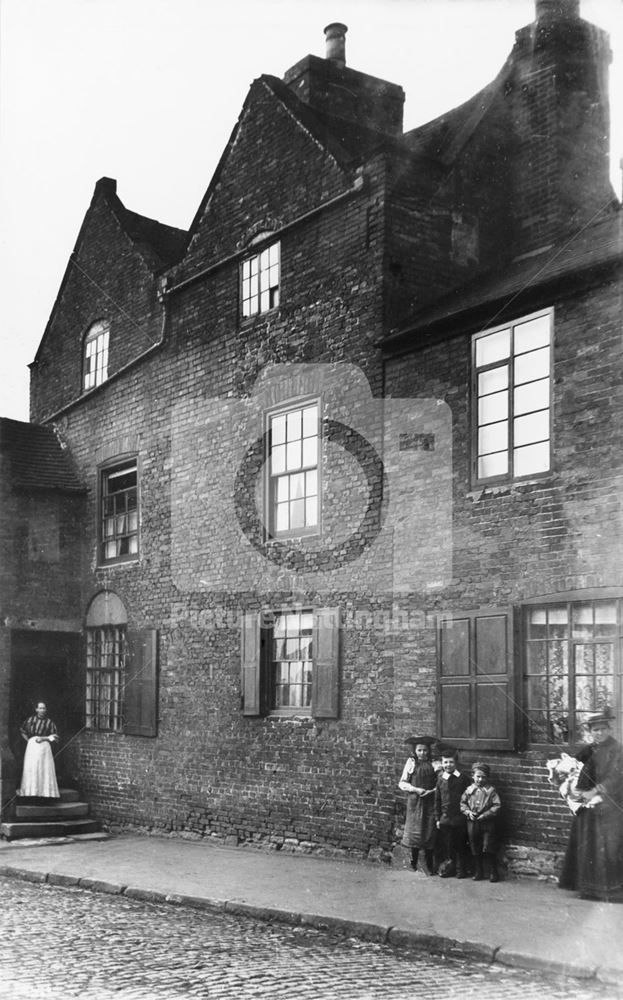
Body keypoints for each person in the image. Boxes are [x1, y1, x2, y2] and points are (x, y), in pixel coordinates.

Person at [558, 708, 623, 902]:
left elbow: (616, 776)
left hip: (610, 806)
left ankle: (610, 891)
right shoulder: (590, 748)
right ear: (590, 731)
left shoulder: (617, 749)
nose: (599, 733)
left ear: (609, 729)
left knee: (609, 847)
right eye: (595, 730)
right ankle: (588, 889)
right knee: (588, 845)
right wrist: (567, 778)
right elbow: (575, 764)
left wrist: (595, 791)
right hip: (588, 806)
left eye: (603, 729)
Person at [398, 736, 438, 875]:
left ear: (429, 751)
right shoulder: (411, 763)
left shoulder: (435, 763)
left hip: (430, 800)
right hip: (415, 801)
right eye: (419, 750)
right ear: (415, 751)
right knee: (415, 831)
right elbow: (402, 783)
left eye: (425, 750)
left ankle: (429, 864)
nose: (422, 753)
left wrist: (431, 791)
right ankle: (413, 862)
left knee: (429, 831)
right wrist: (416, 789)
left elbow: (441, 784)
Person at [460, 762, 502, 882]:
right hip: (473, 822)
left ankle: (493, 871)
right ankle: (479, 871)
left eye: (483, 777)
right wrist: (468, 812)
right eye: (478, 776)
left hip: (487, 822)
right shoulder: (469, 790)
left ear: (487, 778)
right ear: (473, 776)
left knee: (488, 846)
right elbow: (462, 803)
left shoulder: (491, 791)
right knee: (474, 845)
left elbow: (496, 805)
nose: (480, 779)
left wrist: (485, 814)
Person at [434, 745, 471, 878]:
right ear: (442, 763)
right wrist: (438, 818)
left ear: (455, 763)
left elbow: (468, 798)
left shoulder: (463, 779)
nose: (448, 765)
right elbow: (437, 800)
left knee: (460, 844)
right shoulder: (440, 779)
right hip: (445, 818)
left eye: (451, 762)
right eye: (445, 762)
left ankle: (461, 870)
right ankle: (449, 868)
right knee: (448, 845)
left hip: (459, 818)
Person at [19, 701, 60, 799]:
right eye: (40, 708)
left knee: (43, 768)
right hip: (32, 747)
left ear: (46, 710)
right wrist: (29, 740)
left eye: (44, 708)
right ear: (36, 709)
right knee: (32, 768)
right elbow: (22, 730)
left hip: (44, 748)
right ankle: (31, 792)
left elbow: (56, 737)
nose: (42, 710)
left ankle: (44, 793)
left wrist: (44, 738)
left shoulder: (49, 722)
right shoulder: (30, 720)